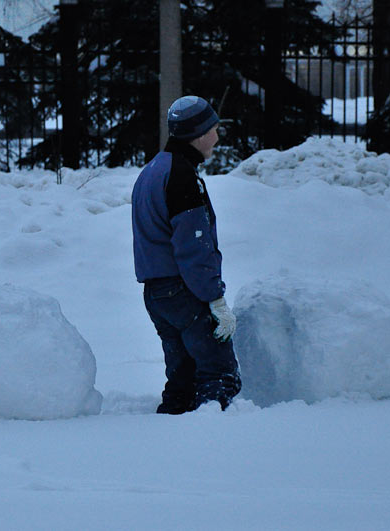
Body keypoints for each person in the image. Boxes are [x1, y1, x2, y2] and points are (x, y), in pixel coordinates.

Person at [131, 95, 241, 414]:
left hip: (157, 294)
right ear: (198, 133)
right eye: (213, 129)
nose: (217, 137)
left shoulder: (153, 170)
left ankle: (173, 448)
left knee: (182, 381)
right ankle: (213, 444)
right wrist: (214, 298)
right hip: (185, 291)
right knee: (219, 375)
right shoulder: (181, 176)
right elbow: (194, 245)